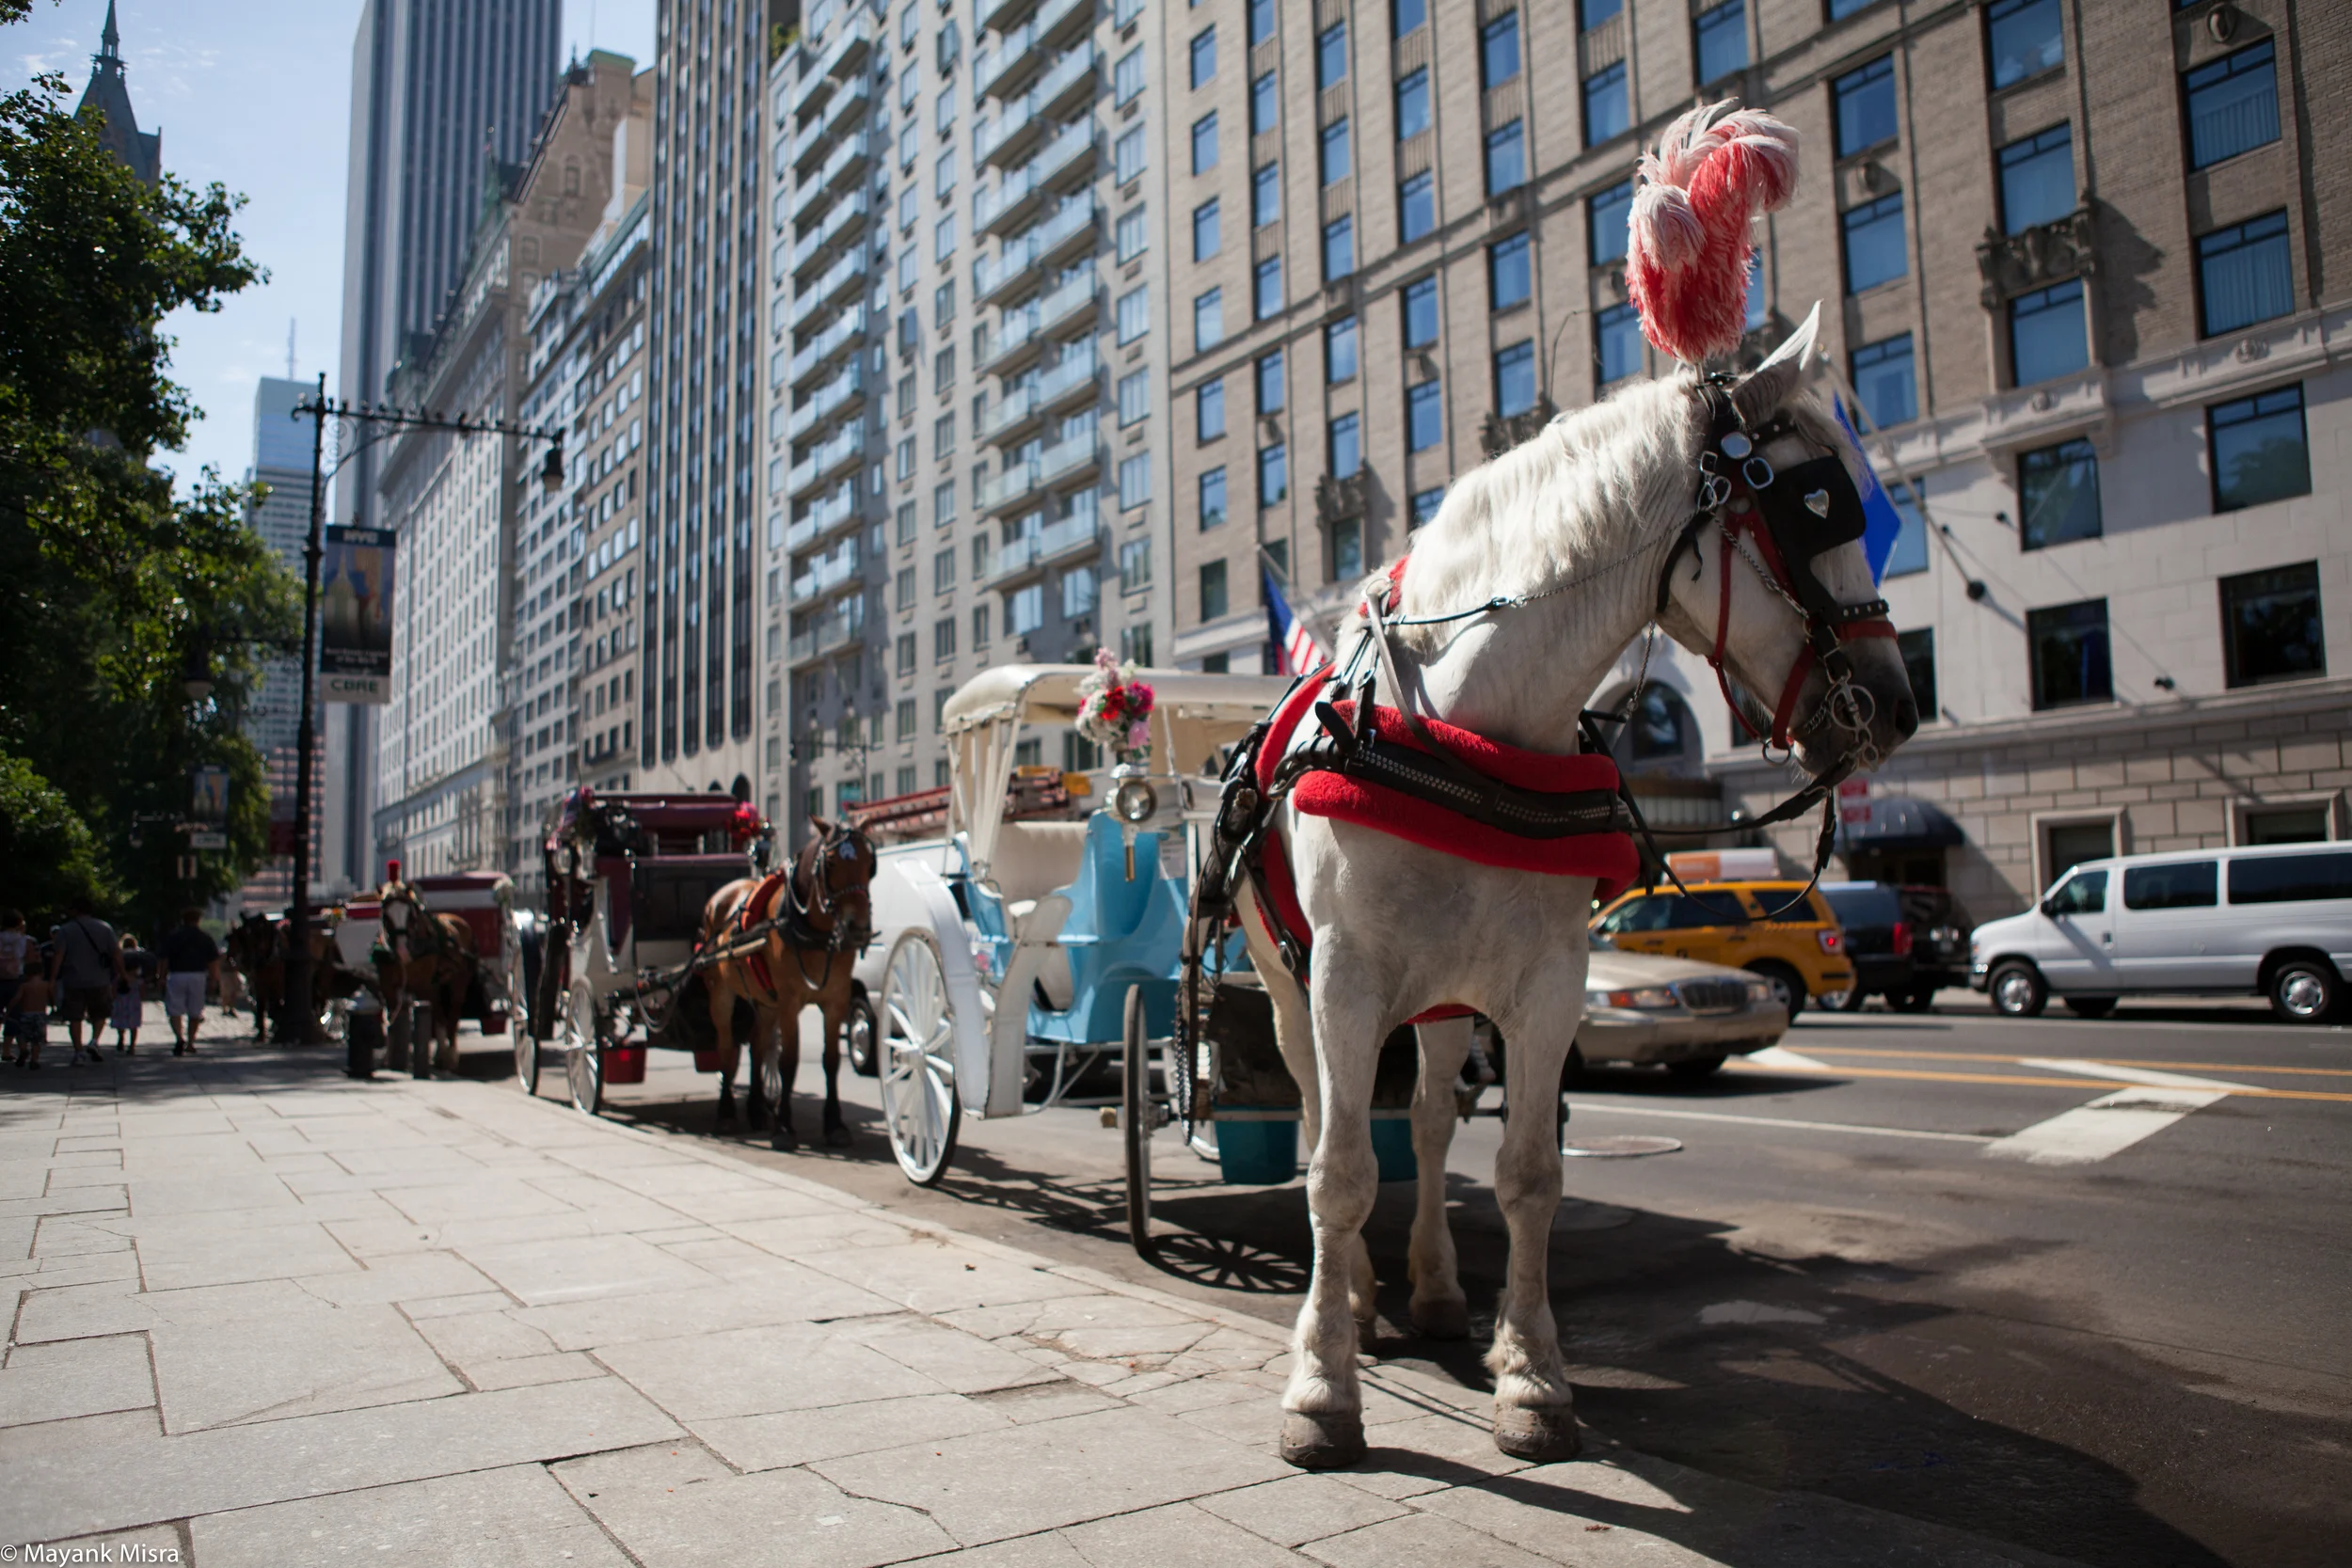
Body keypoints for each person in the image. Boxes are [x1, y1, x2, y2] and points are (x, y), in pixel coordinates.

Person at [49, 898, 121, 1066]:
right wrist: (122, 974)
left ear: (75, 911)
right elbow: (116, 953)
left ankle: (78, 1052)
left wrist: (53, 978)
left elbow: (58, 955)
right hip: (100, 979)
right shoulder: (105, 928)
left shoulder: (66, 930)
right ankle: (94, 1040)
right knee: (101, 1013)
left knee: (75, 1017)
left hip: (73, 979)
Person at [159, 908, 220, 1056]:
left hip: (177, 975)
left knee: (174, 1009)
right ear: (198, 920)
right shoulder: (205, 938)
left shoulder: (173, 937)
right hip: (198, 975)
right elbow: (213, 961)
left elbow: (163, 959)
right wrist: (214, 979)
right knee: (195, 1010)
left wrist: (161, 976)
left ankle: (179, 1038)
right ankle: (191, 1042)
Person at [0, 910, 30, 1065]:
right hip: (16, 980)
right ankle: (6, 1049)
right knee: (14, 1015)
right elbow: (29, 960)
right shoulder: (24, 940)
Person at [9, 961, 54, 1069]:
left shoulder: (25, 986)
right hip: (40, 1015)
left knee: (21, 1035)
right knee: (37, 1040)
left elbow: (17, 999)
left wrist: (9, 1009)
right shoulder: (46, 985)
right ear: (41, 973)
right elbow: (51, 997)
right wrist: (53, 1005)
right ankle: (34, 1060)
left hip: (26, 1014)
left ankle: (23, 1049)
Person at [111, 932, 149, 1053]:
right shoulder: (139, 957)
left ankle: (121, 1037)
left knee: (120, 1015)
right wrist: (143, 995)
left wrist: (112, 993)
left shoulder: (119, 956)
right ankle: (132, 1045)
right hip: (135, 988)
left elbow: (114, 976)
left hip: (121, 987)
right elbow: (142, 978)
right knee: (134, 1019)